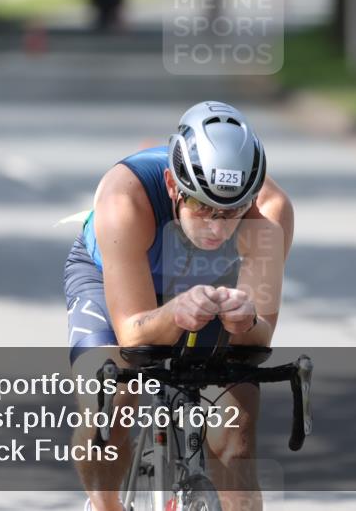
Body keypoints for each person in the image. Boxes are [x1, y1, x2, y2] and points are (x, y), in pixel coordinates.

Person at [63, 101, 294, 511]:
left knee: (236, 436)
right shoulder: (125, 198)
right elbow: (133, 331)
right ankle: (104, 505)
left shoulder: (269, 214)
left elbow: (259, 337)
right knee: (109, 403)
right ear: (172, 185)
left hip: (207, 289)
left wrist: (246, 315)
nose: (216, 227)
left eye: (231, 212)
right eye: (202, 207)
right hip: (110, 277)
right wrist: (173, 312)